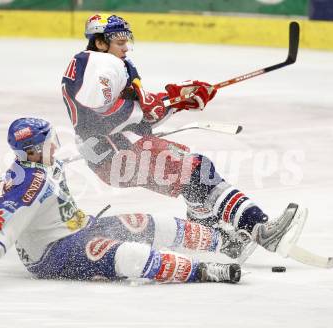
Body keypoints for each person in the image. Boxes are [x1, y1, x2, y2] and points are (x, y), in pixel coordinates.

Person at [60, 14, 307, 258]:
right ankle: (260, 229)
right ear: (100, 43)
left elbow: (135, 114)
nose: (125, 47)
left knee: (190, 175)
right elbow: (96, 116)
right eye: (119, 42)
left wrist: (179, 100)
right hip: (114, 153)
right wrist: (154, 106)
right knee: (196, 171)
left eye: (127, 41)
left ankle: (219, 241)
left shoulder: (98, 63)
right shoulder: (101, 62)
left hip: (112, 151)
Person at [0, 117, 248, 292]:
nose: (56, 147)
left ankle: (226, 242)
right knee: (133, 255)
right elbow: (2, 220)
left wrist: (110, 145)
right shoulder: (28, 184)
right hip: (54, 253)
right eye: (50, 143)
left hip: (81, 228)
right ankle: (206, 271)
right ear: (33, 151)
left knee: (151, 223)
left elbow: (85, 153)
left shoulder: (44, 163)